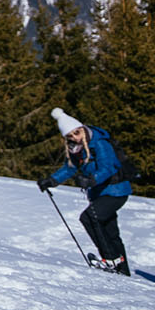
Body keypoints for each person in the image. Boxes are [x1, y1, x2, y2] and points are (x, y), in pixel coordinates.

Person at [40, 109, 134, 275]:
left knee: (90, 217)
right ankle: (122, 269)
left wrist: (91, 179)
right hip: (99, 192)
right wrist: (52, 180)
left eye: (76, 132)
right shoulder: (76, 148)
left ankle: (110, 259)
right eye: (69, 135)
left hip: (116, 191)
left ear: (82, 128)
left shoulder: (99, 142)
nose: (74, 137)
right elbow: (70, 168)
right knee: (110, 231)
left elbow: (109, 166)